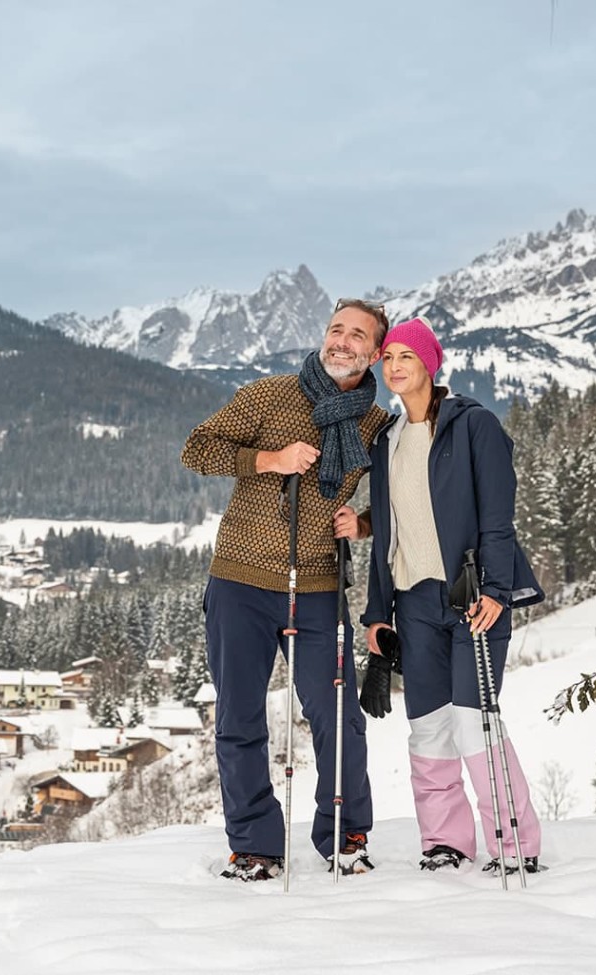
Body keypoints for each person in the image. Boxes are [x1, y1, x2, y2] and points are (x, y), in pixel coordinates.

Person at [180, 297, 394, 881]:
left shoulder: (375, 423)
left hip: (319, 586)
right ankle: (254, 846)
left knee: (337, 715)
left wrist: (365, 522)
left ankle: (345, 835)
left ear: (374, 351)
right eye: (335, 329)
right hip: (239, 583)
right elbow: (197, 448)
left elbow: (400, 499)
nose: (342, 341)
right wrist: (269, 458)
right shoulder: (271, 394)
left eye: (357, 335)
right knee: (239, 716)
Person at [359, 315, 545, 875]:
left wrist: (496, 588)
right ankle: (445, 842)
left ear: (430, 364)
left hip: (471, 596)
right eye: (387, 358)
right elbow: (388, 534)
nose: (394, 367)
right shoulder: (386, 440)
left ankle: (515, 844)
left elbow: (497, 517)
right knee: (429, 726)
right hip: (412, 602)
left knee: (474, 721)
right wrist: (375, 612)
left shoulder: (473, 425)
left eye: (406, 358)